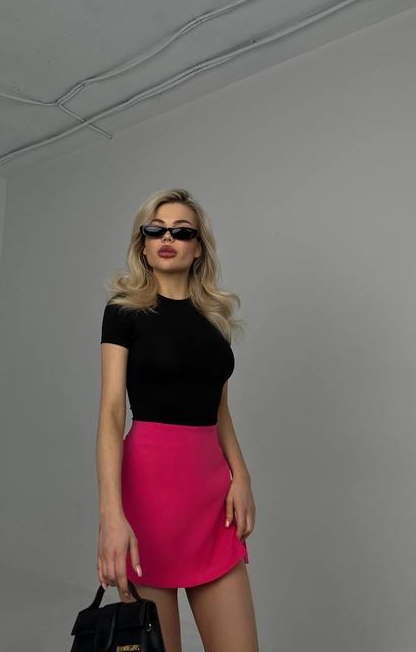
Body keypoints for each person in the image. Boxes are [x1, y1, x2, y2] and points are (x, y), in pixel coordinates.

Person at [96, 188, 259, 652]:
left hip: (211, 499)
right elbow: (111, 412)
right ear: (144, 244)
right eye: (156, 230)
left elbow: (218, 411)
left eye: (182, 231)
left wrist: (242, 476)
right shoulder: (124, 311)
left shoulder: (216, 321)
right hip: (148, 496)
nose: (168, 238)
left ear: (198, 247)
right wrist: (111, 516)